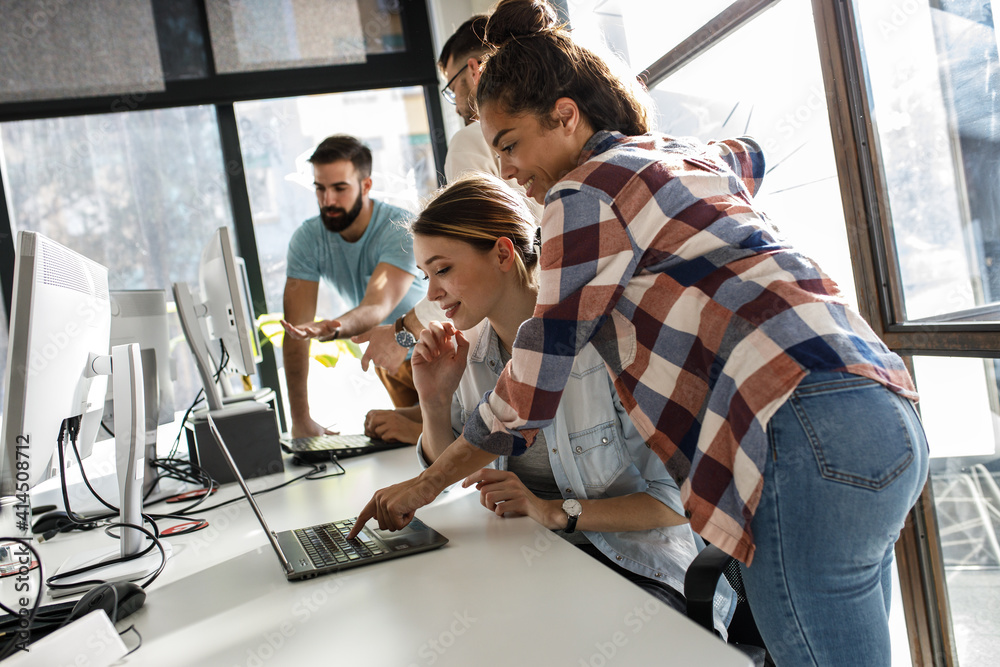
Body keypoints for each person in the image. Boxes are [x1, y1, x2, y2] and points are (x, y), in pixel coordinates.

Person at [350, 2, 930, 665]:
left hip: (799, 427)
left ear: (566, 116)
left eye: (509, 144)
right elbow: (751, 156)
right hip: (880, 402)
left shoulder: (579, 196)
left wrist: (419, 489)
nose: (505, 171)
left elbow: (530, 392)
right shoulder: (674, 155)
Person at [405, 173, 731, 623]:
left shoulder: (607, 343)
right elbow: (453, 480)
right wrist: (434, 400)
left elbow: (674, 503)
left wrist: (551, 511)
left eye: (443, 270)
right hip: (528, 560)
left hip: (633, 567)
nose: (432, 294)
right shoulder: (470, 353)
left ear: (503, 253)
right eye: (425, 275)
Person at [353, 14, 540, 444]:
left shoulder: (472, 140)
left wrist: (403, 333)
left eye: (453, 84)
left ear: (474, 70)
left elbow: (474, 269)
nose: (457, 102)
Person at [281, 135, 426, 439]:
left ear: (366, 185)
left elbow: (377, 306)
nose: (328, 200)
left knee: (454, 446)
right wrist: (300, 419)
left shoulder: (399, 228)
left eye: (339, 189)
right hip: (388, 357)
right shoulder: (307, 240)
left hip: (435, 351)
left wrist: (332, 327)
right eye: (320, 189)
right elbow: (295, 332)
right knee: (410, 452)